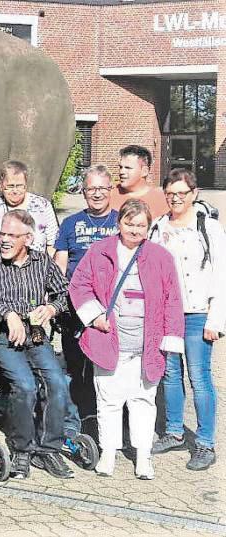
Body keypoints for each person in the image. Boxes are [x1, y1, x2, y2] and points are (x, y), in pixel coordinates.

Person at [69, 199, 183, 480]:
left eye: (140, 225)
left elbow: (172, 300)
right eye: (129, 223)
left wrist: (171, 337)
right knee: (108, 399)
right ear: (119, 224)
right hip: (109, 339)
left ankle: (143, 456)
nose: (134, 230)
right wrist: (94, 315)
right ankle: (108, 452)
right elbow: (79, 284)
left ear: (148, 227)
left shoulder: (161, 257)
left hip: (147, 343)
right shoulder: (100, 251)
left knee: (143, 400)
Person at [0, 209, 73, 479]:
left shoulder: (42, 262)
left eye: (11, 235)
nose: (4, 239)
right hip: (0, 336)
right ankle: (22, 449)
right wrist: (7, 313)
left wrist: (51, 309)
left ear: (27, 238)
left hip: (35, 333)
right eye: (2, 233)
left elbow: (64, 293)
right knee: (25, 385)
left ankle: (49, 449)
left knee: (57, 382)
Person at [149, 168, 224, 471]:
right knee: (170, 375)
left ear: (194, 193)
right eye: (170, 193)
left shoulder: (209, 227)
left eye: (182, 192)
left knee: (199, 377)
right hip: (168, 315)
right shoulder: (157, 227)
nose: (176, 198)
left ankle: (205, 443)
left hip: (198, 314)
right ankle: (174, 432)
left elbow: (221, 275)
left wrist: (215, 319)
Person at [54, 165, 119, 431]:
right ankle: (78, 419)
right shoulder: (70, 223)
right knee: (75, 363)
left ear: (110, 190)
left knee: (106, 366)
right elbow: (59, 264)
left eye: (102, 188)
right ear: (83, 192)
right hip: (76, 305)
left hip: (110, 306)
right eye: (91, 188)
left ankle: (109, 420)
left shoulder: (120, 221)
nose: (96, 194)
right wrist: (57, 300)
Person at [0, 160, 59, 255]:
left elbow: (52, 244)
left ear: (26, 185)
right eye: (10, 186)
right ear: (1, 186)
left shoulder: (43, 206)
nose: (15, 191)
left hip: (36, 266)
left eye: (20, 186)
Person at [109, 145, 168, 218]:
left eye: (128, 168)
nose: (122, 172)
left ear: (144, 171)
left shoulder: (162, 199)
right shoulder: (109, 195)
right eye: (121, 167)